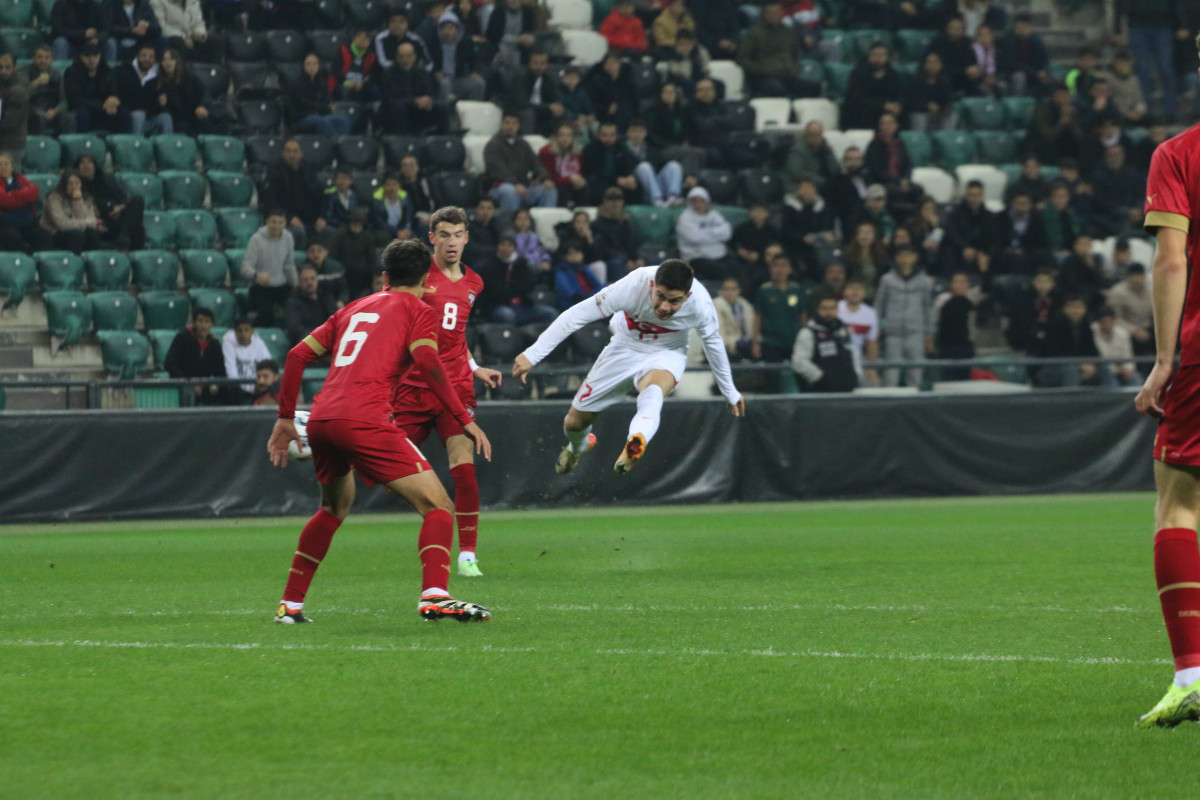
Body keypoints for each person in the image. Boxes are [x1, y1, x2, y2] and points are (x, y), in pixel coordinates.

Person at [266, 238, 492, 624]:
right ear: (426, 278)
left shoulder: (352, 308)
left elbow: (296, 355)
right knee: (438, 507)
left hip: (321, 420)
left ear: (385, 277)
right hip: (366, 419)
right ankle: (435, 595)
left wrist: (286, 417)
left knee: (333, 508)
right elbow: (427, 363)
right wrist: (464, 417)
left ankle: (290, 604)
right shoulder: (420, 310)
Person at [513, 259, 744, 475]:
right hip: (623, 348)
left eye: (674, 301)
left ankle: (637, 439)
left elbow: (713, 343)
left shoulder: (700, 303)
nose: (664, 307)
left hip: (667, 352)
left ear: (687, 295)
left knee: (653, 391)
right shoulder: (635, 284)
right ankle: (578, 446)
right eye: (660, 296)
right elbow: (578, 314)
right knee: (573, 423)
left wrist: (730, 391)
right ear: (653, 285)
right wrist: (533, 354)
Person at [1132, 55, 1200, 722]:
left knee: (1179, 501)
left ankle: (1191, 676)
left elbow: (1172, 257)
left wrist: (1163, 358)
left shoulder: (1178, 155)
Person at [390, 206, 502, 578]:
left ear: (467, 237)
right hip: (412, 386)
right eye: (444, 235)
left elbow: (455, 336)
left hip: (454, 387)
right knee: (383, 463)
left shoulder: (475, 283)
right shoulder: (416, 277)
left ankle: (467, 555)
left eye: (458, 235)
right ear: (432, 237)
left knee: (463, 465)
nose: (452, 242)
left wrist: (473, 367)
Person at [874, 244, 934, 388]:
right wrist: (877, 329)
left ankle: (914, 403)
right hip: (892, 332)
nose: (904, 259)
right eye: (901, 255)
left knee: (915, 370)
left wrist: (929, 333)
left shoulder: (924, 281)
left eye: (908, 255)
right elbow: (879, 305)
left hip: (916, 332)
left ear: (915, 257)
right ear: (896, 258)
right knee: (891, 371)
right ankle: (890, 402)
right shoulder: (887, 279)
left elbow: (928, 307)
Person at [737, 1, 817, 98]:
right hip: (763, 77)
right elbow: (743, 59)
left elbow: (796, 54)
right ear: (765, 15)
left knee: (814, 88)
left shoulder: (788, 32)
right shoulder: (754, 33)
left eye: (777, 13)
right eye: (771, 13)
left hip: (787, 75)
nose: (774, 16)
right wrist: (760, 69)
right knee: (776, 89)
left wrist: (794, 67)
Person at [752, 253, 806, 393]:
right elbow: (758, 316)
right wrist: (756, 342)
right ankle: (772, 409)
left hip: (794, 340)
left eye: (784, 266)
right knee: (772, 378)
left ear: (790, 269)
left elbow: (803, 316)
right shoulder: (764, 290)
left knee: (802, 374)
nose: (780, 270)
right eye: (776, 266)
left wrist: (805, 339)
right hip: (772, 341)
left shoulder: (797, 290)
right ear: (771, 268)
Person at [483, 111, 557, 212]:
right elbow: (499, 171)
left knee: (549, 190)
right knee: (510, 191)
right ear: (501, 124)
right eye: (507, 123)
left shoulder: (523, 144)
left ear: (518, 126)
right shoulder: (493, 145)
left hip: (523, 186)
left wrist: (545, 179)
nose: (510, 126)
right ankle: (510, 223)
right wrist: (515, 183)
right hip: (499, 187)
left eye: (514, 123)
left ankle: (545, 223)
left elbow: (536, 164)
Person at [475, 236, 557, 324]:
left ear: (514, 248)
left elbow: (527, 286)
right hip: (498, 306)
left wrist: (513, 287)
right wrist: (514, 288)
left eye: (509, 245)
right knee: (506, 315)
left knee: (550, 313)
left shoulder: (521, 264)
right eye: (503, 245)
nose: (506, 248)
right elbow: (496, 290)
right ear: (498, 246)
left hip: (521, 306)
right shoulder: (489, 265)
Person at [259, 139, 324, 249]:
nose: (292, 155)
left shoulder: (308, 171)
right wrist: (289, 218)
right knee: (298, 232)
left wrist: (322, 217)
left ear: (301, 154)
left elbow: (321, 196)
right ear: (282, 153)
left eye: (295, 151)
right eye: (288, 151)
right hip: (285, 221)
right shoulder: (274, 172)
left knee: (328, 231)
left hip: (311, 220)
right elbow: (271, 202)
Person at [791, 293, 860, 393]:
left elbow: (855, 356)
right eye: (824, 309)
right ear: (818, 310)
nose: (829, 312)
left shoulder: (846, 331)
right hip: (819, 392)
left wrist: (856, 375)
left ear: (837, 310)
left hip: (847, 390)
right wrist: (821, 378)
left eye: (832, 308)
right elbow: (799, 362)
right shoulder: (808, 333)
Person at [76, 153, 145, 251]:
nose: (86, 166)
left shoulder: (107, 179)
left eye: (89, 162)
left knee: (138, 201)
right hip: (100, 223)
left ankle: (124, 238)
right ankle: (124, 241)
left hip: (119, 220)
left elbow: (125, 197)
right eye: (82, 163)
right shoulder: (76, 184)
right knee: (137, 226)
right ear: (77, 167)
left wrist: (121, 208)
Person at [241, 209, 298, 327]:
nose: (276, 226)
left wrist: (295, 283)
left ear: (285, 223)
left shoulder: (288, 238)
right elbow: (245, 268)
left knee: (295, 308)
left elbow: (289, 264)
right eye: (273, 222)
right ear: (267, 222)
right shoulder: (256, 240)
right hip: (261, 287)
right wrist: (256, 275)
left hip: (281, 285)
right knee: (266, 314)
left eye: (280, 222)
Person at [378, 41, 446, 136]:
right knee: (400, 109)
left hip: (419, 107)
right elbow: (391, 98)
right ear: (397, 57)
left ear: (414, 56)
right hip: (397, 108)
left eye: (408, 56)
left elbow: (430, 91)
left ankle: (442, 139)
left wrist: (427, 100)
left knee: (441, 108)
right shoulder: (388, 73)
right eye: (402, 56)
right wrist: (414, 101)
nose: (405, 59)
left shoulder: (422, 72)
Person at [163, 306, 225, 404]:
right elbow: (169, 364)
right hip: (184, 383)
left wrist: (213, 385)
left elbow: (220, 372)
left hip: (205, 386)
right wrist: (189, 383)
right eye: (200, 321)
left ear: (212, 324)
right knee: (189, 392)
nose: (203, 325)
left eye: (207, 321)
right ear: (194, 323)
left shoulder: (215, 344)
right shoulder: (182, 338)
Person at [63, 42, 129, 133]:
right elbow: (75, 100)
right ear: (81, 57)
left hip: (105, 112)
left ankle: (122, 144)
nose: (92, 60)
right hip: (87, 112)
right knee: (82, 112)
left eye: (95, 55)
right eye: (87, 56)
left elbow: (114, 91)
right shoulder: (72, 73)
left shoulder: (106, 70)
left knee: (123, 113)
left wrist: (114, 99)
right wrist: (102, 105)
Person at [286, 53, 351, 139]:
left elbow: (327, 101)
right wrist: (325, 108)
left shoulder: (322, 82)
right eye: (309, 64)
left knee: (343, 121)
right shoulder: (296, 84)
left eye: (314, 64)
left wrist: (327, 107)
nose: (312, 67)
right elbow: (304, 104)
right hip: (302, 117)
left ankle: (342, 143)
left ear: (318, 66)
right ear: (304, 66)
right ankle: (334, 143)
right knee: (319, 121)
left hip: (320, 115)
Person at [113, 43, 173, 136]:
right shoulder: (124, 71)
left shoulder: (156, 79)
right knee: (138, 116)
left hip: (148, 118)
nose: (147, 59)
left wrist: (156, 106)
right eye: (144, 55)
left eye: (151, 57)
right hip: (127, 117)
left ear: (155, 60)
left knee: (165, 117)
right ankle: (136, 147)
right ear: (137, 57)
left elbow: (157, 105)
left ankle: (169, 148)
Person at [676, 186, 733, 282]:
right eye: (695, 201)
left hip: (719, 255)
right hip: (696, 258)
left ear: (706, 201)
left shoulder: (714, 215)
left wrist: (704, 234)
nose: (698, 204)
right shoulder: (685, 217)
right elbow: (694, 238)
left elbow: (727, 233)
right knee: (721, 271)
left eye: (701, 201)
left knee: (736, 268)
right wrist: (716, 235)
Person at [0, 152, 54, 254]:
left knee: (45, 237)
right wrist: (23, 198)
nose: (3, 167)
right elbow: (4, 200)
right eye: (0, 164)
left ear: (12, 166)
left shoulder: (20, 179)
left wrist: (11, 194)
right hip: (5, 224)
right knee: (12, 237)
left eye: (6, 164)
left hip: (28, 223)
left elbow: (34, 193)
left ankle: (38, 264)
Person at [622, 119, 683, 208]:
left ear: (645, 133)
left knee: (674, 165)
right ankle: (656, 200)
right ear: (628, 133)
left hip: (654, 184)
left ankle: (673, 197)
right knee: (644, 166)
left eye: (640, 131)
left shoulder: (652, 150)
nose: (637, 134)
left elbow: (660, 168)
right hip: (638, 188)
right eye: (634, 131)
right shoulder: (621, 149)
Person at [41, 169, 104, 253]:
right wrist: (88, 223)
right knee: (77, 235)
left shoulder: (86, 198)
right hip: (55, 233)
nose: (74, 187)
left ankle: (89, 260)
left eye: (77, 183)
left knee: (92, 234)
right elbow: (62, 224)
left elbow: (90, 219)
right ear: (64, 185)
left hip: (77, 230)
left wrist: (77, 201)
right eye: (70, 183)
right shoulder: (54, 198)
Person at [933, 272, 975, 381]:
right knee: (948, 378)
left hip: (965, 347)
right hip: (946, 347)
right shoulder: (942, 300)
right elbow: (935, 321)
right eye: (956, 282)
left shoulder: (972, 302)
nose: (959, 285)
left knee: (964, 380)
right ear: (951, 284)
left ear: (967, 285)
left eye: (962, 282)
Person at [157, 47, 208, 136]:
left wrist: (202, 106)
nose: (167, 62)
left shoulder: (190, 78)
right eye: (164, 59)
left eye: (171, 59)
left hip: (194, 117)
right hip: (176, 121)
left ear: (177, 61)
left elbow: (204, 93)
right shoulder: (160, 84)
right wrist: (161, 105)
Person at [837, 278, 880, 385]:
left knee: (873, 382)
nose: (855, 292)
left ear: (864, 293)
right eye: (851, 288)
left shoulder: (870, 313)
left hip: (858, 356)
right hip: (836, 356)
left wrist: (871, 367)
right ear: (844, 292)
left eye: (859, 289)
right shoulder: (836, 308)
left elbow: (872, 342)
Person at [284, 265, 339, 345]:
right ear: (299, 282)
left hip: (329, 340)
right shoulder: (292, 303)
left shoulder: (326, 297)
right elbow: (295, 329)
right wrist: (319, 335)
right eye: (305, 280)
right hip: (307, 344)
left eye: (312, 279)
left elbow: (336, 319)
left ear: (317, 281)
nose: (309, 283)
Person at [23, 45, 72, 137]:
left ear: (51, 59)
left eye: (47, 57)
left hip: (52, 111)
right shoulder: (25, 73)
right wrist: (35, 83)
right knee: (38, 118)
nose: (43, 61)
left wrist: (55, 110)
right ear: (34, 58)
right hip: (33, 110)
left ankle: (63, 146)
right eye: (39, 57)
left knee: (68, 118)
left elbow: (64, 101)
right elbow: (20, 96)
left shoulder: (56, 75)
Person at [539, 122, 588, 208]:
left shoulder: (577, 152)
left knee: (585, 187)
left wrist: (579, 180)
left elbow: (579, 171)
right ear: (555, 137)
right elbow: (549, 176)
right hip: (554, 183)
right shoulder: (546, 152)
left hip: (571, 182)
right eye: (562, 135)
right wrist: (570, 179)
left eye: (569, 136)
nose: (565, 139)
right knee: (563, 190)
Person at [223, 317, 273, 402]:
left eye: (246, 330)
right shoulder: (228, 343)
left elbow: (268, 367)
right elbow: (232, 374)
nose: (243, 334)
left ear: (252, 332)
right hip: (238, 391)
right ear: (235, 332)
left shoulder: (259, 343)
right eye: (240, 330)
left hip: (259, 387)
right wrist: (249, 388)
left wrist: (259, 385)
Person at [1108, 262, 1153, 356]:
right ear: (1128, 277)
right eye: (1133, 276)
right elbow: (1115, 318)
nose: (1136, 279)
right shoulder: (1117, 292)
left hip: (1149, 328)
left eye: (1139, 276)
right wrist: (1134, 331)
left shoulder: (1152, 290)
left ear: (1144, 276)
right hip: (1127, 329)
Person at [149, 0, 215, 63]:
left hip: (191, 36)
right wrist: (183, 37)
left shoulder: (193, 1)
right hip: (171, 37)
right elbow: (161, 27)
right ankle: (180, 71)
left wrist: (200, 33)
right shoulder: (157, 1)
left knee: (214, 41)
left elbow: (198, 22)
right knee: (178, 43)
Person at [1092, 305, 1138, 386]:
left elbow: (1128, 355)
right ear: (1099, 322)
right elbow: (1101, 358)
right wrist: (1116, 370)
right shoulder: (1093, 333)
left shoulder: (1123, 334)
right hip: (1104, 369)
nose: (1108, 324)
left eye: (1110, 321)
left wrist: (1128, 370)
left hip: (1122, 368)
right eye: (1104, 321)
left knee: (1136, 379)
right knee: (1112, 382)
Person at [106, 0, 162, 65]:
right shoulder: (111, 5)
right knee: (110, 43)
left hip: (140, 40)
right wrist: (131, 30)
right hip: (119, 39)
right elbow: (108, 28)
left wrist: (147, 25)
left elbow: (157, 28)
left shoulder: (143, 5)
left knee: (162, 40)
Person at [0, 54, 29, 172]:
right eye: (0, 67)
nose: (3, 71)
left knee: (11, 181)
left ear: (15, 67)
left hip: (11, 144)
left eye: (7, 67)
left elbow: (10, 121)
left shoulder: (18, 91)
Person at [714, 277, 755, 361]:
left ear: (739, 291)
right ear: (721, 291)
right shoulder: (715, 305)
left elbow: (751, 328)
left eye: (733, 289)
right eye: (726, 289)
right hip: (729, 342)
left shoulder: (745, 305)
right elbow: (719, 332)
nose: (730, 292)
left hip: (746, 341)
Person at [369, 173, 414, 242]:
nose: (391, 188)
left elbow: (408, 216)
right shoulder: (377, 201)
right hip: (385, 230)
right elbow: (379, 222)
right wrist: (396, 232)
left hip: (401, 228)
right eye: (388, 184)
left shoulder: (405, 198)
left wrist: (406, 229)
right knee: (383, 237)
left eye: (394, 184)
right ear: (383, 187)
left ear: (399, 186)